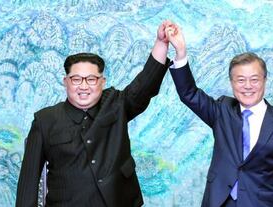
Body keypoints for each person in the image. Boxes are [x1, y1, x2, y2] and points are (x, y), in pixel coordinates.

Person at [16, 21, 172, 207]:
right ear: (65, 81)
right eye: (76, 79)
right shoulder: (44, 120)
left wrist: (161, 43)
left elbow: (145, 85)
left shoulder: (116, 104)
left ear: (102, 82)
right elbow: (28, 185)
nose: (83, 86)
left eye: (91, 79)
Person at [165, 24, 273, 207]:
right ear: (232, 83)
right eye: (241, 80)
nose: (248, 86)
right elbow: (189, 93)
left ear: (265, 80)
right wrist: (181, 53)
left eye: (254, 79)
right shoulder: (222, 110)